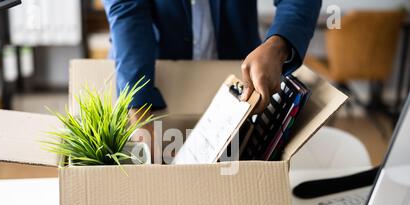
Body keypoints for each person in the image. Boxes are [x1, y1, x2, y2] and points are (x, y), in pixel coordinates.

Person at [103, 0, 321, 159]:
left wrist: (277, 46)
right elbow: (127, 10)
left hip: (241, 84)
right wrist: (139, 110)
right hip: (149, 75)